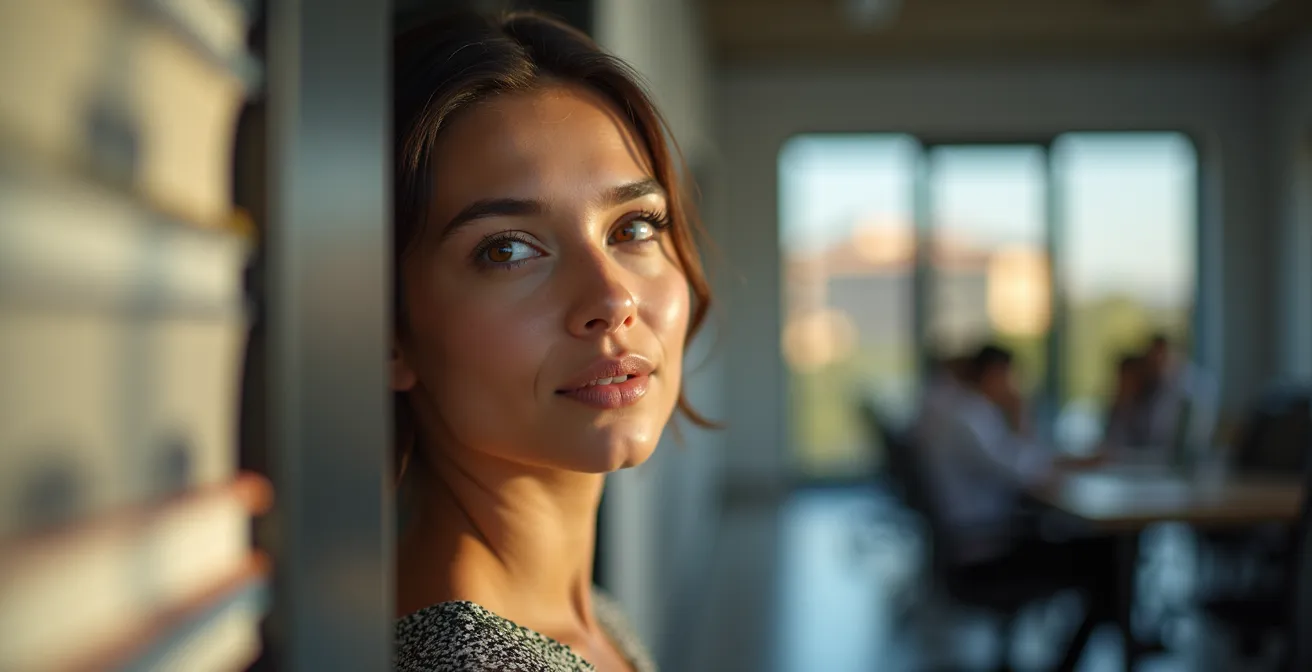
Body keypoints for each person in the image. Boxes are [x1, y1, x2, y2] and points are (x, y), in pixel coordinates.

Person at [390, 11, 712, 671]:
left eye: (634, 228)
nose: (612, 298)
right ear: (388, 332)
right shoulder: (465, 660)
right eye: (507, 249)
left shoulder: (587, 618)